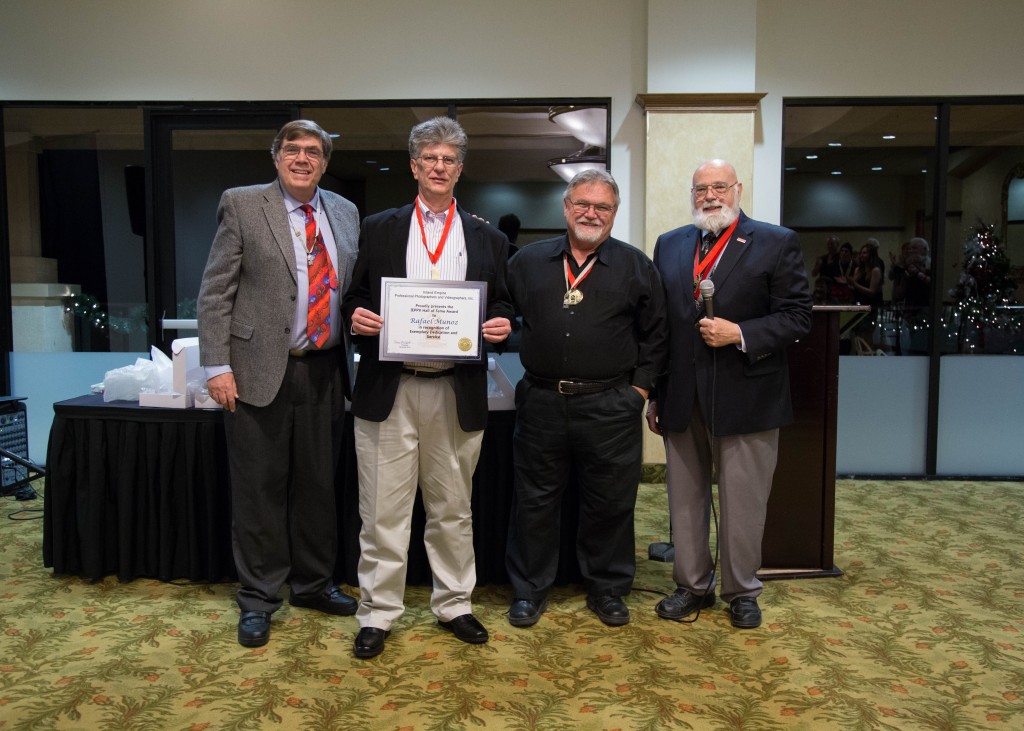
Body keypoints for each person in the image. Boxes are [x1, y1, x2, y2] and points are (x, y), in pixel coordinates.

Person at [343, 116, 514, 659]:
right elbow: (353, 296)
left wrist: (502, 324)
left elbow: (505, 303)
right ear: (414, 166)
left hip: (455, 388)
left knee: (452, 507)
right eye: (429, 159)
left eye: (449, 160)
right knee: (383, 509)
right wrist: (357, 317)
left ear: (459, 170)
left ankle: (455, 604)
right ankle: (377, 613)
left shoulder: (489, 237)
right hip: (389, 389)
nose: (439, 168)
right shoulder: (379, 228)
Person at [197, 120, 361, 647]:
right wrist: (216, 365)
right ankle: (259, 597)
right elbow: (215, 292)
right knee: (259, 489)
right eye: (292, 149)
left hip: (326, 368)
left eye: (314, 151)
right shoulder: (242, 204)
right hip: (256, 371)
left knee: (319, 486)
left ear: (325, 162)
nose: (302, 158)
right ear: (276, 157)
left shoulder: (344, 212)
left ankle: (314, 584)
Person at [646, 159, 811, 630]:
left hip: (748, 396)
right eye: (701, 188)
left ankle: (742, 591)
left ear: (738, 189)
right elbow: (664, 327)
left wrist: (739, 332)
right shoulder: (671, 244)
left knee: (743, 502)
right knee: (685, 497)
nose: (710, 196)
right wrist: (656, 394)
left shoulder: (776, 242)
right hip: (681, 395)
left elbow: (798, 316)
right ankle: (691, 585)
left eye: (719, 186)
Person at [504, 169, 668, 628]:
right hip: (540, 402)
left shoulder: (637, 266)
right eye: (582, 203)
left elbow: (657, 336)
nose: (590, 213)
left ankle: (608, 588)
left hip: (610, 405)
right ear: (566, 207)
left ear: (614, 213)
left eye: (602, 206)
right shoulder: (528, 262)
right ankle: (529, 591)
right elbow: (499, 309)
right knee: (534, 502)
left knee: (610, 501)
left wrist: (638, 393)